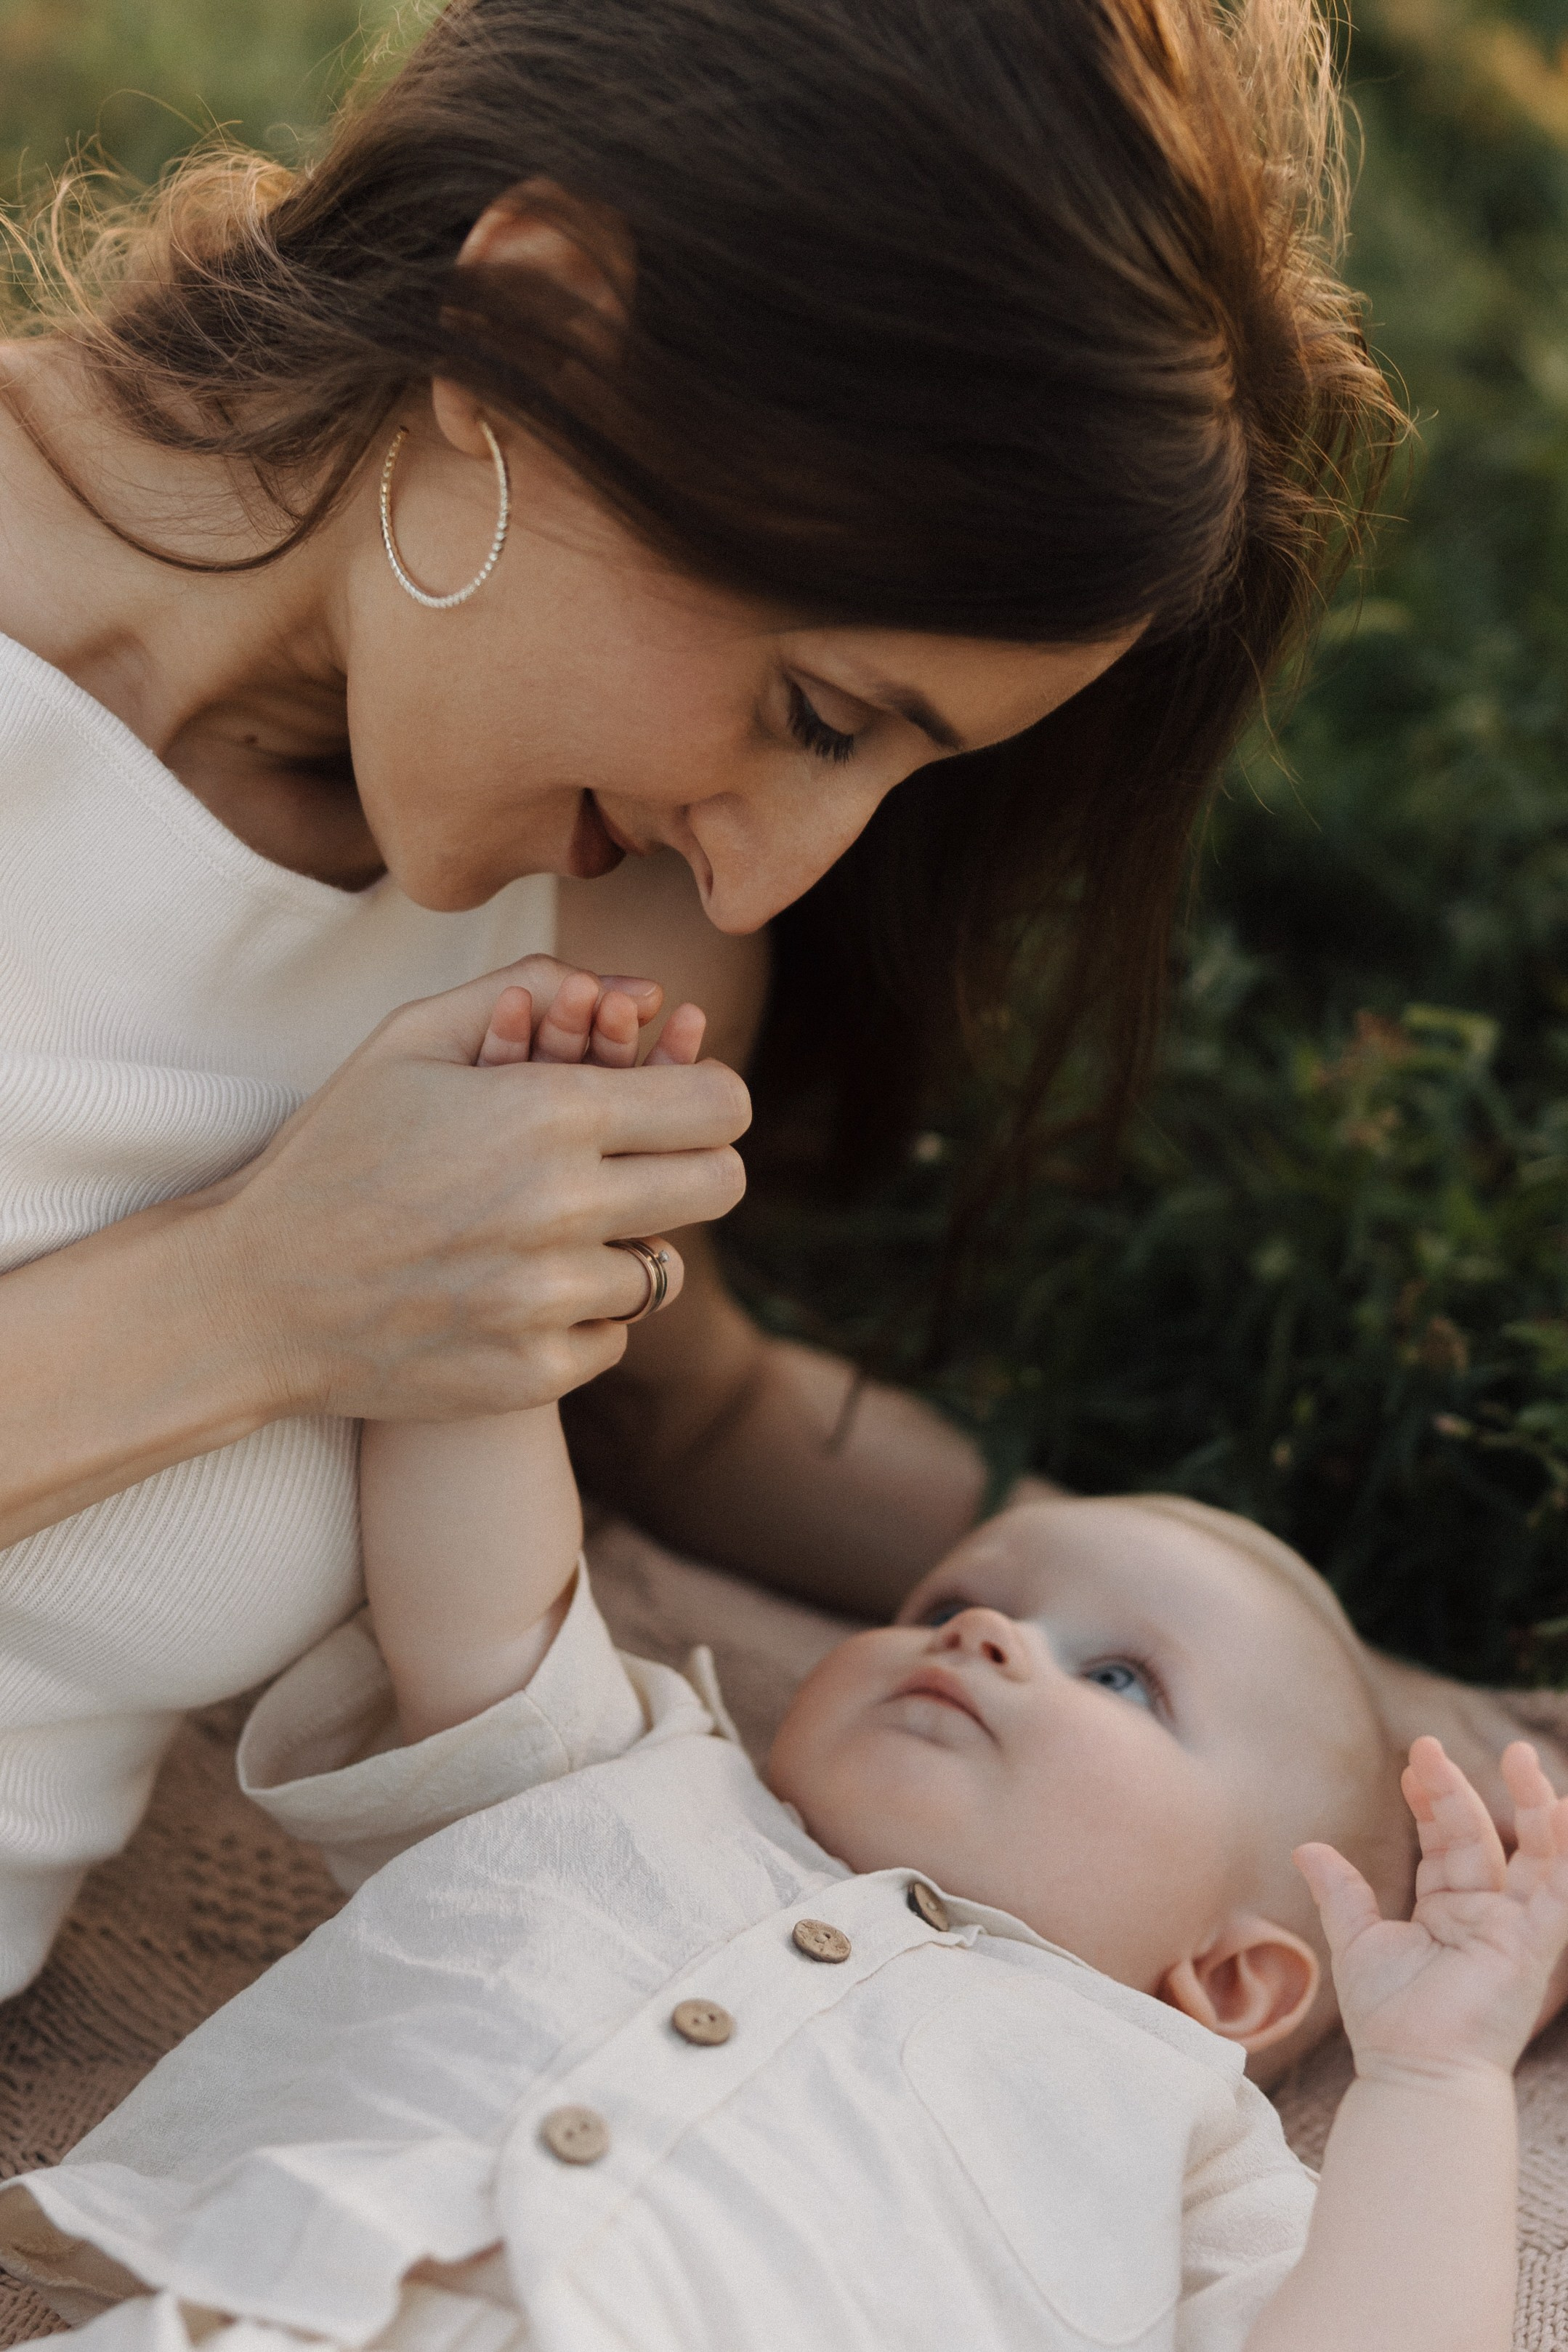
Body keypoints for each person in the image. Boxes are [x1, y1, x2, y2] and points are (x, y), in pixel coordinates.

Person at [0, 0, 1439, 2000]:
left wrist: (1400, 1735)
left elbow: (697, 1409)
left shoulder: (619, 920)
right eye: (815, 712)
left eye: (888, 771)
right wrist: (254, 1292)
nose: (767, 868)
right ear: (538, 329)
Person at [0, 1187, 1559, 2352]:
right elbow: (481, 1594)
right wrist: (505, 1270)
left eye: (1119, 1675)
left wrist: (1431, 2076)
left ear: (1224, 1977)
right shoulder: (630, 1770)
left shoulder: (1171, 2126)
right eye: (951, 1603)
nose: (993, 1639)